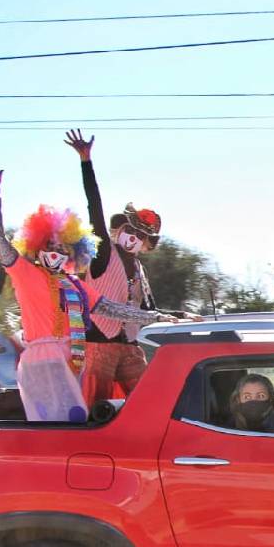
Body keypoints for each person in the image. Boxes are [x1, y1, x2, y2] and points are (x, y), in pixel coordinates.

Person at [0, 160, 177, 422]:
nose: (56, 253)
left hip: (75, 360)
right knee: (57, 423)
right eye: (50, 247)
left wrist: (158, 317)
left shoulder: (75, 284)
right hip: (43, 362)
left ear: (71, 253)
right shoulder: (26, 273)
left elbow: (112, 309)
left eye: (62, 249)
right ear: (36, 248)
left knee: (78, 420)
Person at [63, 129, 200, 405]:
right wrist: (86, 162)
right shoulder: (103, 253)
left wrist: (182, 315)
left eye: (141, 237)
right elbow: (95, 208)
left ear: (147, 244)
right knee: (94, 409)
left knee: (150, 402)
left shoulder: (139, 271)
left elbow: (146, 312)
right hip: (98, 346)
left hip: (129, 347)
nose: (134, 239)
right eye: (131, 231)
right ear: (120, 229)